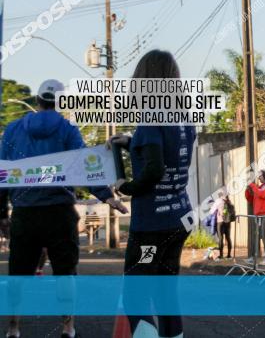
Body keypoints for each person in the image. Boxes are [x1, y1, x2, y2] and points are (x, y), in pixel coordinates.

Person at [0, 78, 127, 338]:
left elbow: (3, 172)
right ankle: (68, 328)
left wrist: (2, 212)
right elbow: (84, 167)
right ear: (60, 103)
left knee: (17, 274)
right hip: (60, 213)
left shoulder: (12, 131)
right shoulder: (68, 130)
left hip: (24, 213)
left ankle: (13, 328)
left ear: (37, 101)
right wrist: (107, 196)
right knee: (65, 273)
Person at [113, 50, 195, 338]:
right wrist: (131, 142)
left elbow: (155, 168)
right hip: (179, 217)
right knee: (166, 295)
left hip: (152, 225)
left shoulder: (151, 117)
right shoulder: (183, 118)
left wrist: (127, 188)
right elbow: (165, 153)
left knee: (135, 295)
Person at [245, 170, 265, 266]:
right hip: (260, 215)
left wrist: (252, 185)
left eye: (260, 176)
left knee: (264, 236)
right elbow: (251, 199)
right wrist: (248, 190)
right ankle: (252, 258)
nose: (258, 178)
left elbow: (261, 194)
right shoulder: (260, 187)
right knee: (257, 236)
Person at [218, 194, 236, 259]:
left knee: (220, 238)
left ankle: (221, 255)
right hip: (228, 222)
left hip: (220, 222)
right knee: (228, 238)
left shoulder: (220, 203)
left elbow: (219, 213)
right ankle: (229, 255)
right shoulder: (230, 203)